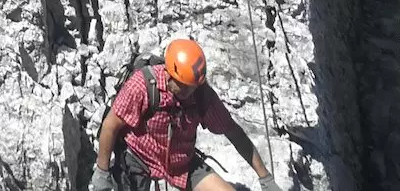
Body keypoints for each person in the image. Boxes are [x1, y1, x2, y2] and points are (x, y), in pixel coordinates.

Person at [94, 39, 281, 191]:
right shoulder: (143, 85)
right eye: (183, 86)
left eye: (193, 87)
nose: (188, 92)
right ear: (168, 74)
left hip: (182, 163)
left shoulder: (200, 93)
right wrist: (102, 172)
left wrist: (265, 178)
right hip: (140, 160)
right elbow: (111, 125)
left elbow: (233, 132)